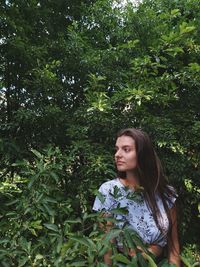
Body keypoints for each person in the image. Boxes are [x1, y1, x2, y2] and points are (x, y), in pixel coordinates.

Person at [93, 128, 180, 266]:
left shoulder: (166, 194)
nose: (117, 154)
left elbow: (174, 249)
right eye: (117, 149)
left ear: (142, 155)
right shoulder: (108, 191)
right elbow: (107, 248)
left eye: (126, 149)